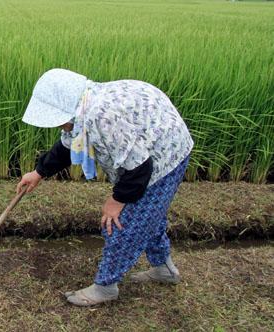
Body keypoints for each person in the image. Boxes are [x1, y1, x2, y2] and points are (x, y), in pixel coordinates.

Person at [16, 68, 194, 306]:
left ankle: (106, 287)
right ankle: (164, 270)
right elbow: (69, 145)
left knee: (122, 224)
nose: (59, 125)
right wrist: (39, 172)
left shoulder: (101, 116)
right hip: (149, 154)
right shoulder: (83, 107)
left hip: (165, 156)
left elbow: (141, 167)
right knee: (149, 217)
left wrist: (116, 200)